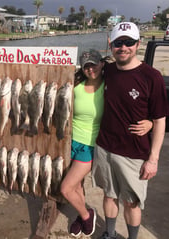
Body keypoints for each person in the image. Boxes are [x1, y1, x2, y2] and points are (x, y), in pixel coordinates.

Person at [60, 49, 153, 237]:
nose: (90, 69)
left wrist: (150, 121)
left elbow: (133, 104)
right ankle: (81, 213)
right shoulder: (75, 85)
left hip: (91, 145)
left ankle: (87, 216)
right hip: (70, 142)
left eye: (94, 64)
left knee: (66, 188)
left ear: (102, 64)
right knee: (77, 185)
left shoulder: (110, 86)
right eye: (86, 66)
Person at [92, 22, 169, 239]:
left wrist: (153, 159)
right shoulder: (106, 70)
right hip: (105, 147)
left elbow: (160, 120)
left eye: (128, 42)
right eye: (118, 43)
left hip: (134, 154)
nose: (123, 47)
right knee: (109, 196)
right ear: (111, 45)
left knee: (132, 202)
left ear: (138, 44)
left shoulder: (151, 76)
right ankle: (109, 234)